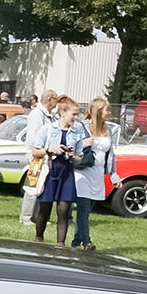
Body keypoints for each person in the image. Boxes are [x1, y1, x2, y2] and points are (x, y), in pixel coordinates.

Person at [32, 95, 88, 245]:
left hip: (66, 173)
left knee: (63, 211)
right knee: (44, 210)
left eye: (77, 114)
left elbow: (80, 158)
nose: (76, 118)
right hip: (50, 172)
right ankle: (39, 240)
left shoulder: (76, 133)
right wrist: (50, 149)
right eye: (73, 114)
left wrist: (73, 156)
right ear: (63, 113)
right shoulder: (47, 130)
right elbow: (35, 151)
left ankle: (60, 246)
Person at [72, 97, 117, 249]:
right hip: (83, 172)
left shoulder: (108, 130)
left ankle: (76, 241)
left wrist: (114, 174)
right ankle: (86, 241)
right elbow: (71, 145)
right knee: (83, 208)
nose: (109, 113)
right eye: (106, 110)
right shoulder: (82, 127)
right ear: (98, 111)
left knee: (88, 208)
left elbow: (111, 154)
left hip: (97, 174)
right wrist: (83, 143)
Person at [21, 90, 59, 224]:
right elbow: (33, 135)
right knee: (33, 184)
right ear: (49, 99)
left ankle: (39, 216)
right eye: (56, 99)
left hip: (46, 154)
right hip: (36, 154)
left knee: (43, 185)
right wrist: (35, 153)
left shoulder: (50, 115)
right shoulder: (37, 114)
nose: (57, 102)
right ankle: (26, 216)